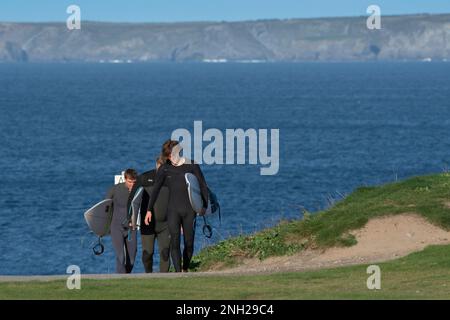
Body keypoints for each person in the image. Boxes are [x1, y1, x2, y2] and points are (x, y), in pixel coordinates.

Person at [145, 140, 208, 272]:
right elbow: (156, 189)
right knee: (174, 241)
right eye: (167, 156)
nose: (170, 158)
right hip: (173, 210)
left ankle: (185, 267)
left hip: (189, 210)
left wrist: (204, 206)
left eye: (171, 155)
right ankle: (178, 272)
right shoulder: (165, 168)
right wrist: (149, 210)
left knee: (189, 242)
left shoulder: (192, 165)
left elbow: (202, 185)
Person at [127, 157, 171, 273]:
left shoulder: (171, 178)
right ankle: (148, 275)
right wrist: (130, 218)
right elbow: (132, 199)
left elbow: (179, 199)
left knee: (165, 253)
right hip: (147, 224)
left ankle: (165, 279)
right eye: (160, 166)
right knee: (147, 254)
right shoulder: (144, 178)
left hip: (165, 224)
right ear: (156, 165)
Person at [106, 168, 138, 274]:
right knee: (120, 257)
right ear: (125, 179)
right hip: (116, 227)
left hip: (131, 228)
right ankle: (121, 278)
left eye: (134, 182)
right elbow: (104, 208)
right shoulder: (115, 189)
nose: (132, 184)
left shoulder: (138, 190)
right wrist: (101, 228)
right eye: (129, 182)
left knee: (132, 259)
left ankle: (126, 278)